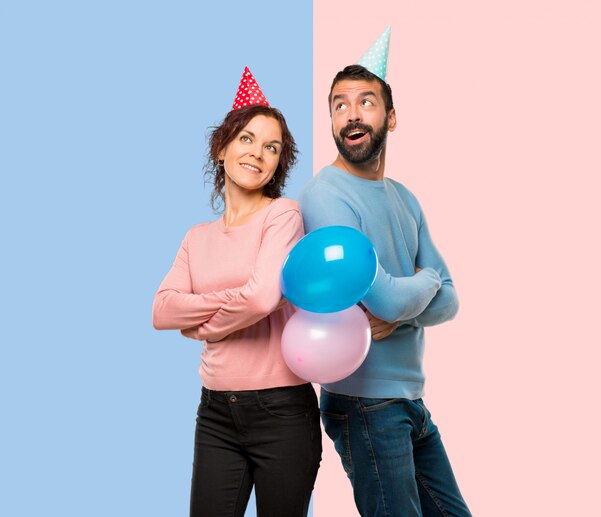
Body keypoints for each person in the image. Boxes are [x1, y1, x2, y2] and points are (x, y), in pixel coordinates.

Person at [298, 32, 471, 517]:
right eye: (339, 105)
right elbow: (400, 298)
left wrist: (406, 305)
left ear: (390, 117)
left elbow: (450, 300)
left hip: (411, 401)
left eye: (366, 102)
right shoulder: (326, 196)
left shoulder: (406, 198)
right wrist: (427, 281)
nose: (351, 114)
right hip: (364, 403)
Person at [152, 67, 322, 517]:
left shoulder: (283, 215)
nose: (258, 154)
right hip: (215, 414)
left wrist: (200, 326)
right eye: (247, 139)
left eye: (272, 147)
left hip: (282, 412)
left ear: (278, 163)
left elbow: (263, 298)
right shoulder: (195, 236)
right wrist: (223, 310)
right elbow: (161, 310)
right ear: (222, 147)